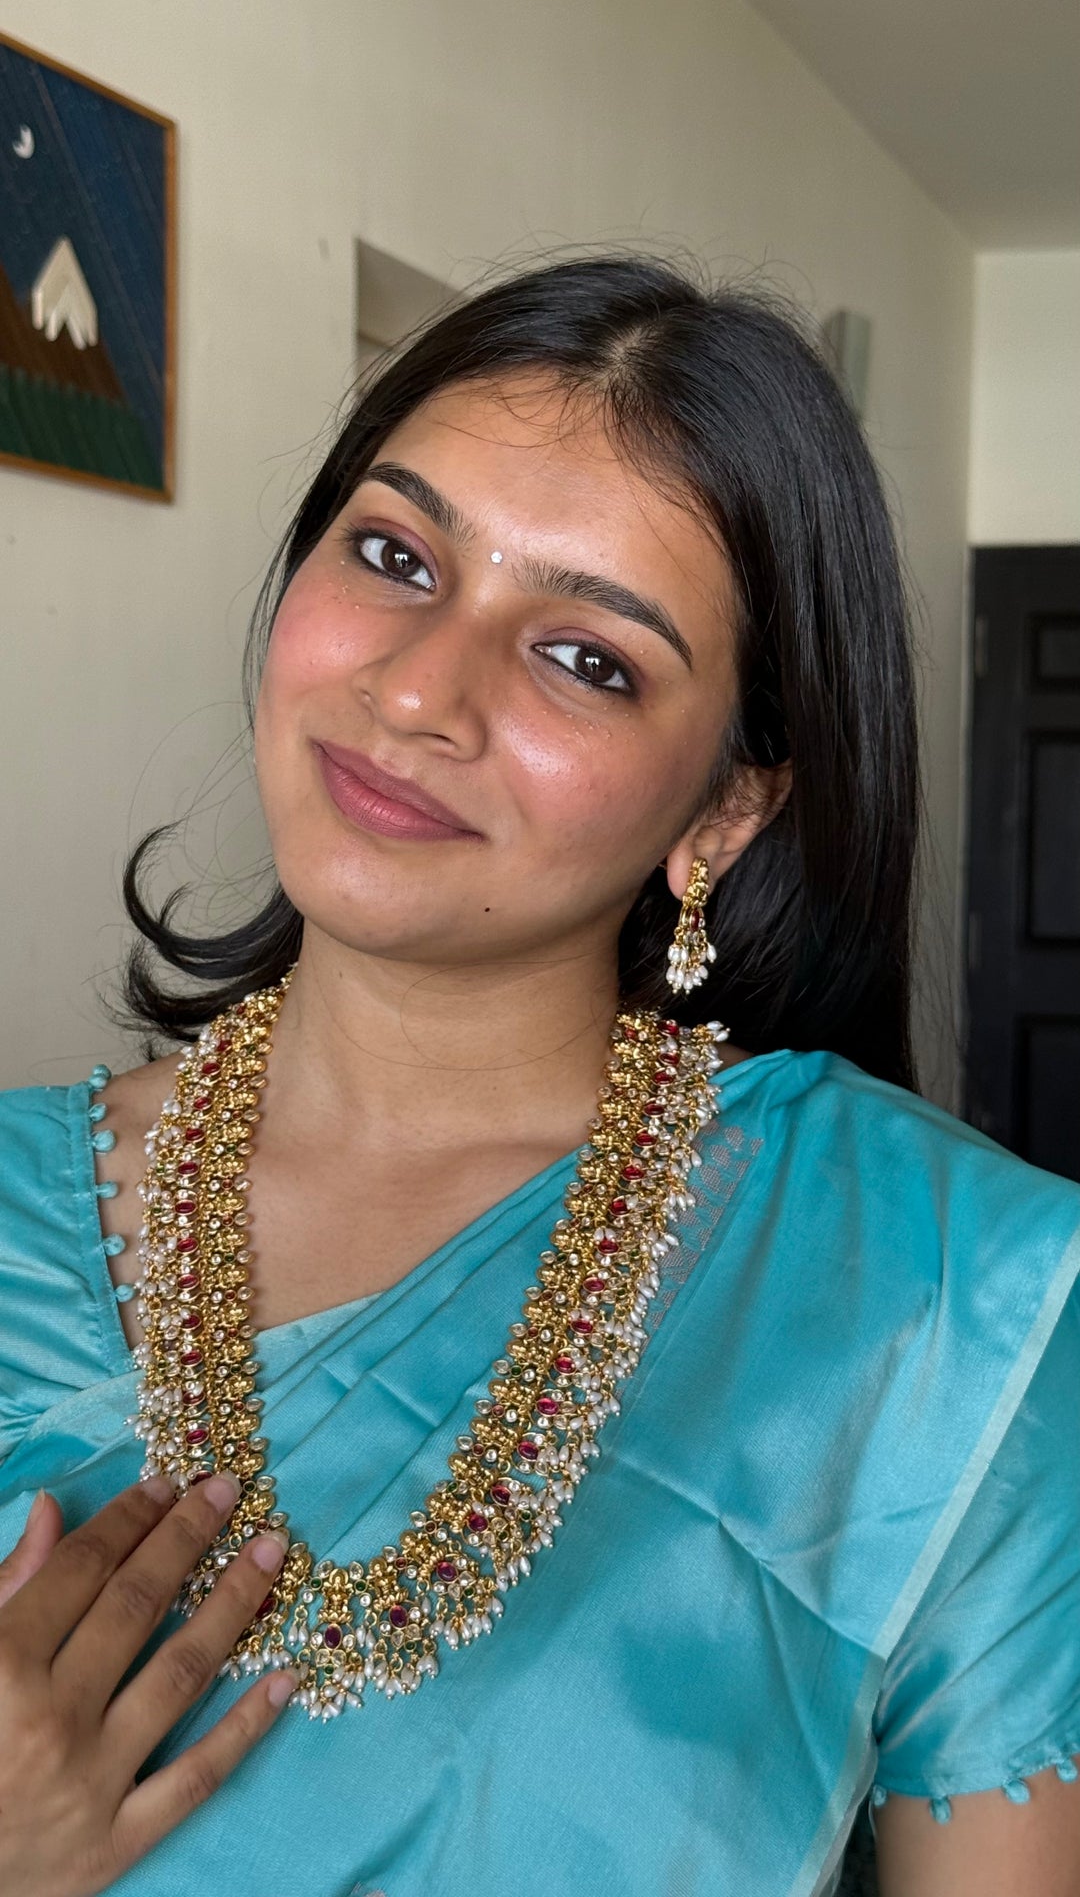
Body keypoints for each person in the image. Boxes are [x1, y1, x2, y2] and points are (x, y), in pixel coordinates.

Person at [0, 254, 1078, 1897]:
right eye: (394, 556)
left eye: (589, 657)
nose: (418, 691)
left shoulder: (947, 1302)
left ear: (726, 809)